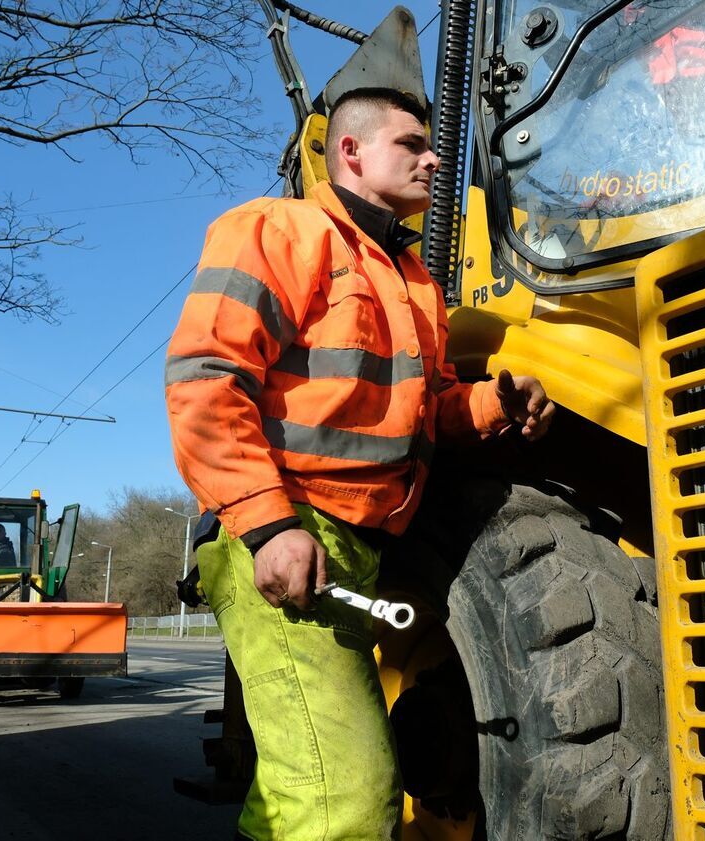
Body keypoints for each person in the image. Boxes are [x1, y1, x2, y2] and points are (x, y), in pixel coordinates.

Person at [164, 87, 554, 840]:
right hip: (284, 536)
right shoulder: (278, 229)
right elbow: (206, 377)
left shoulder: (414, 284)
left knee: (310, 787)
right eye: (412, 144)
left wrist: (496, 405)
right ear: (351, 151)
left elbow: (424, 413)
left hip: (351, 553)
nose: (436, 158)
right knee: (339, 798)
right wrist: (268, 525)